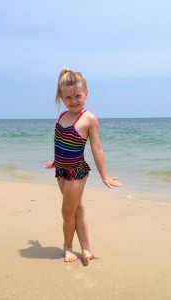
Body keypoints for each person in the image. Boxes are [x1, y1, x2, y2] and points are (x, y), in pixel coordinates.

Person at [45, 68, 121, 266]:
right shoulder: (62, 117)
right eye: (68, 97)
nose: (74, 101)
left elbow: (96, 148)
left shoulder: (89, 119)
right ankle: (86, 248)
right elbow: (60, 142)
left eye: (78, 96)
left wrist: (104, 175)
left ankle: (68, 246)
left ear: (86, 94)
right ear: (60, 97)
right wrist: (55, 161)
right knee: (77, 209)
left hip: (76, 172)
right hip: (61, 170)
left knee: (67, 212)